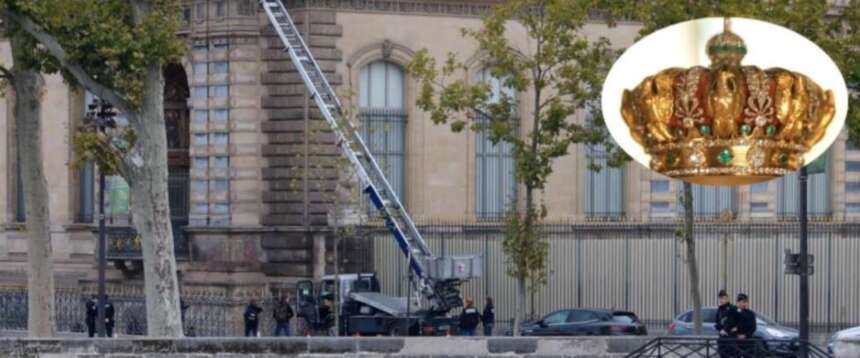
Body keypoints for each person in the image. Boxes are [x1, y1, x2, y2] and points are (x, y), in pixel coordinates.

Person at [714, 290, 736, 358]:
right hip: (722, 338)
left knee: (733, 354)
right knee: (723, 355)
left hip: (731, 337)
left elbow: (732, 321)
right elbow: (717, 322)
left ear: (727, 298)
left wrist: (726, 329)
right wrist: (720, 330)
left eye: (723, 298)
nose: (721, 300)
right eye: (720, 298)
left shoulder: (733, 308)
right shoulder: (719, 309)